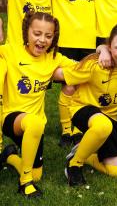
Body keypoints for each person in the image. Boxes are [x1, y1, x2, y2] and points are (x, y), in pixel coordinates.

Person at [54, 23, 117, 186]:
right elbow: (58, 74)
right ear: (110, 47)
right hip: (83, 110)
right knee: (102, 125)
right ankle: (74, 165)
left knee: (116, 171)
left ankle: (85, 154)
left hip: (111, 119)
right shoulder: (95, 65)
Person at [0, 11, 73, 197]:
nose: (42, 40)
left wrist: (102, 50)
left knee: (38, 174)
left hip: (35, 128)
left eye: (48, 36)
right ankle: (25, 183)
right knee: (35, 122)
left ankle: (9, 156)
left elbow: (81, 66)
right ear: (27, 32)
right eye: (37, 34)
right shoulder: (10, 51)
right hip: (11, 118)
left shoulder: (53, 58)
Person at [45, 0, 96, 147]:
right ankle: (67, 130)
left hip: (88, 41)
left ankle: (77, 127)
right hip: (65, 41)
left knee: (83, 87)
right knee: (68, 86)